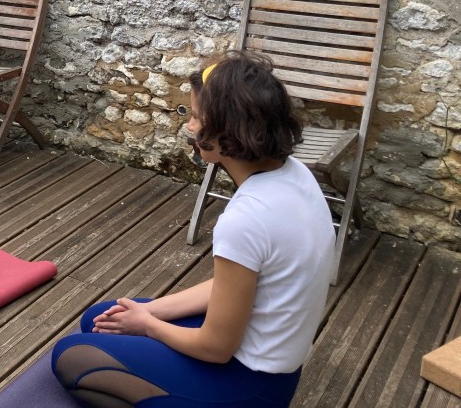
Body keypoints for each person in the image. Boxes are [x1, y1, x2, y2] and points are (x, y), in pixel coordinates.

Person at [51, 50, 335, 407]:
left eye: (197, 117)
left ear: (227, 131)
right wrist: (150, 311)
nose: (189, 126)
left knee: (71, 356)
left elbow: (216, 348)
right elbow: (235, 286)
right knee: (100, 319)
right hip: (265, 357)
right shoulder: (297, 175)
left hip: (251, 385)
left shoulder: (246, 218)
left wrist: (148, 326)